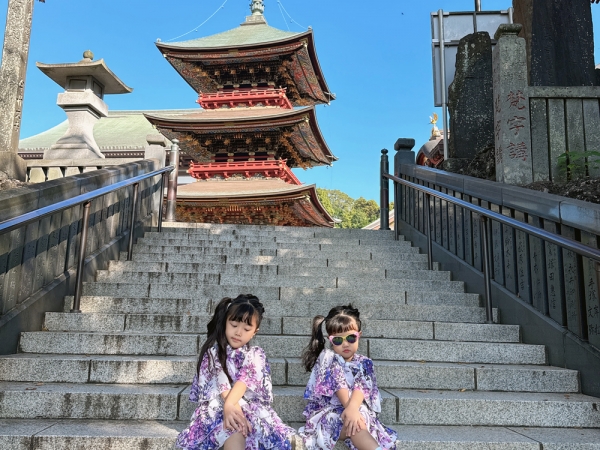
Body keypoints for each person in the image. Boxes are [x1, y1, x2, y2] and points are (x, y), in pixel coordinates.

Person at [176, 294, 299, 450]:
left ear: (255, 331)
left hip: (245, 404)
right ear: (225, 322)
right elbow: (222, 385)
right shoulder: (213, 353)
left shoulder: (255, 354)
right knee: (234, 427)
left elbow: (243, 382)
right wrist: (230, 408)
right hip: (218, 404)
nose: (239, 332)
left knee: (242, 425)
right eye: (234, 325)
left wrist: (231, 406)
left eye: (247, 329)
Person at [298, 305, 397, 450]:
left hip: (355, 409)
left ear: (359, 335)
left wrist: (352, 410)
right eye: (338, 340)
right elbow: (338, 384)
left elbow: (361, 387)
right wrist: (350, 410)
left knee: (359, 418)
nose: (345, 344)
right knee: (354, 422)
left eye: (351, 338)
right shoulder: (328, 358)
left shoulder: (365, 362)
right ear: (330, 340)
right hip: (330, 411)